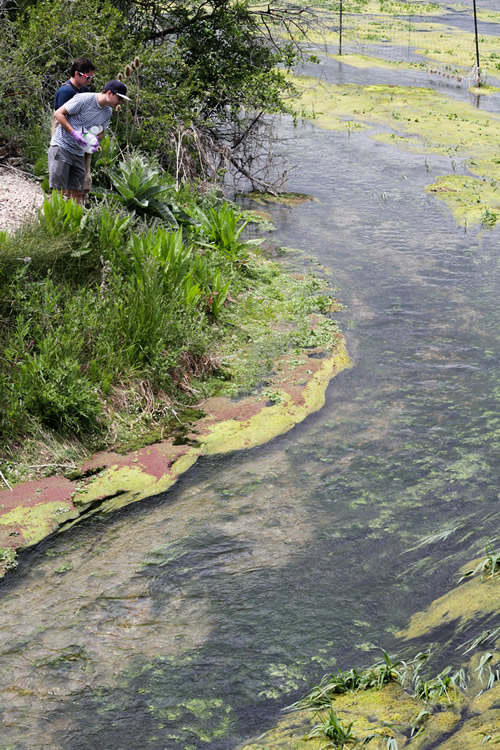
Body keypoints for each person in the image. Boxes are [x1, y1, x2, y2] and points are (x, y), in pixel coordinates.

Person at [49, 80, 130, 204]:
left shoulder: (108, 111)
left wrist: (95, 141)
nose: (120, 102)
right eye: (119, 98)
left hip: (79, 153)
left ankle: (74, 220)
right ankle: (53, 221)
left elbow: (101, 130)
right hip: (62, 146)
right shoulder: (83, 99)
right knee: (58, 191)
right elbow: (58, 113)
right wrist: (73, 133)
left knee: (78, 193)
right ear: (109, 93)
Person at [52, 58, 96, 200]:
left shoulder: (84, 90)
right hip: (66, 136)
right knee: (63, 173)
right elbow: (61, 117)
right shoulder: (65, 91)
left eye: (92, 78)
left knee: (82, 170)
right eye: (87, 77)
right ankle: (60, 205)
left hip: (82, 135)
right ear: (77, 74)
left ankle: (78, 203)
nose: (89, 81)